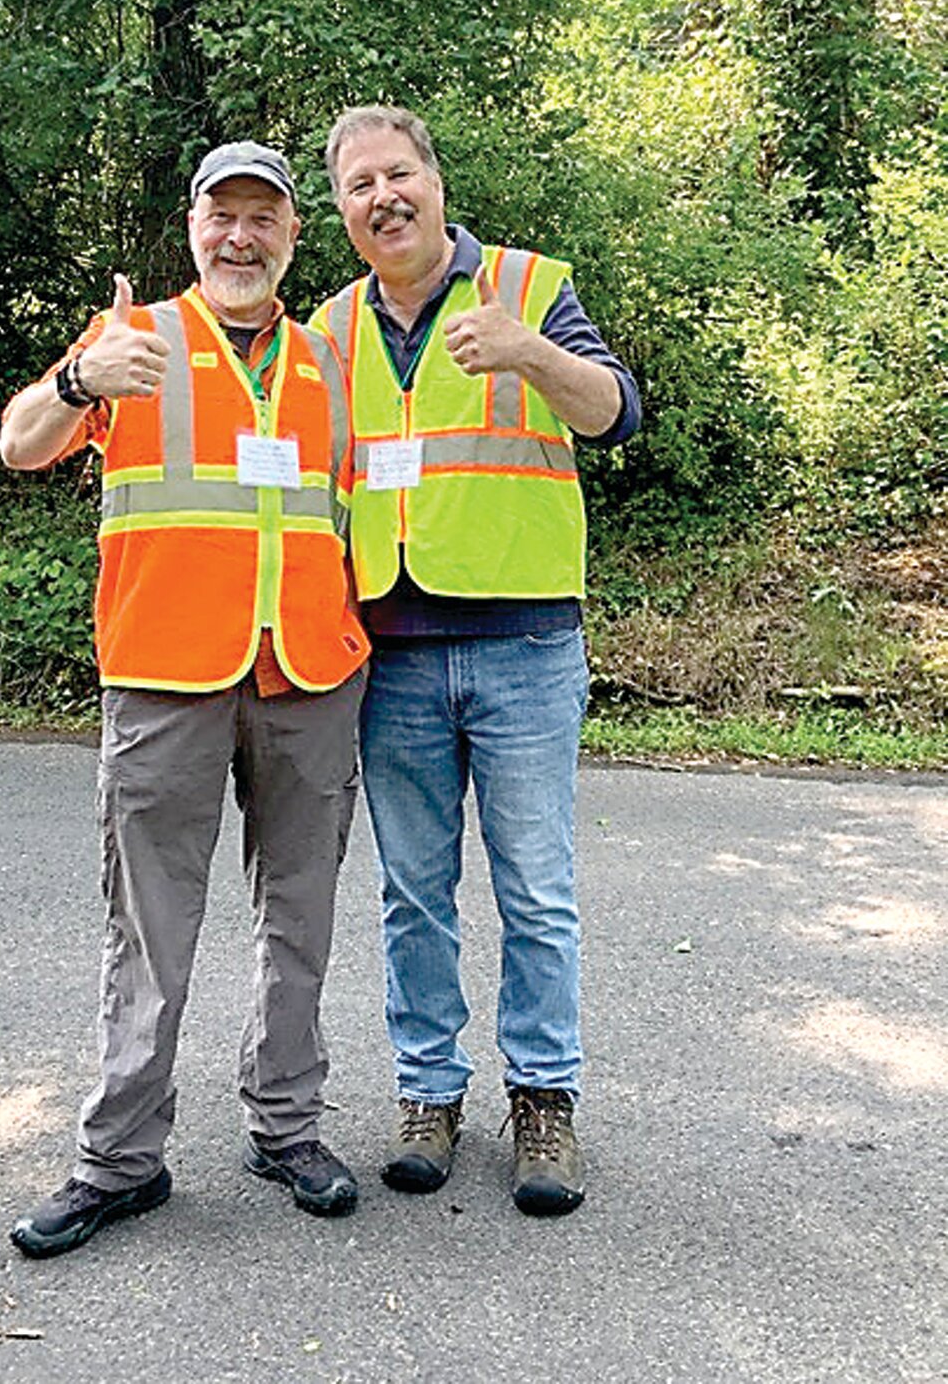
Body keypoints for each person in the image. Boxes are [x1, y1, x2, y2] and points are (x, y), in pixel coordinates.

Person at [1, 141, 370, 1257]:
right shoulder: (135, 341)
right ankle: (119, 1161)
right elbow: (21, 444)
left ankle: (288, 1126)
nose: (242, 238)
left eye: (265, 218)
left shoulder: (328, 363)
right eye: (225, 218)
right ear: (193, 228)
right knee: (149, 933)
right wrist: (77, 381)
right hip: (164, 675)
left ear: (292, 236)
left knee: (298, 919)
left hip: (310, 674)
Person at [311, 107, 641, 1217]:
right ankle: (427, 1094)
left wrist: (529, 352)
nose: (382, 197)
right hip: (390, 654)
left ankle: (545, 1103)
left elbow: (614, 414)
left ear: (436, 181)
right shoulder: (330, 327)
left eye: (397, 174)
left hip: (525, 646)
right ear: (343, 211)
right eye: (360, 186)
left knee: (537, 891)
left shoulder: (530, 284)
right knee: (413, 894)